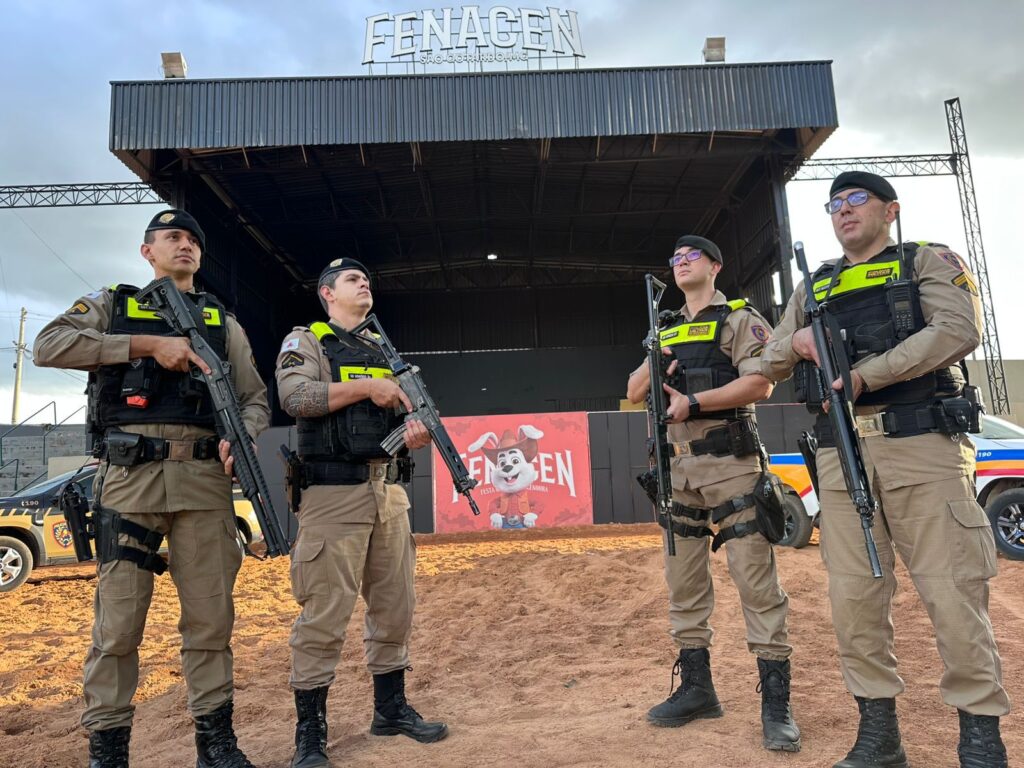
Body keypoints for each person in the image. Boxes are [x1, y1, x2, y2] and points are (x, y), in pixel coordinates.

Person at [761, 171, 1009, 768]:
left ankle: (980, 739)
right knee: (854, 600)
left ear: (889, 210)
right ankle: (880, 735)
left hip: (921, 445)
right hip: (840, 456)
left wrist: (865, 376)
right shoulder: (814, 284)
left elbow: (958, 330)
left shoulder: (925, 261)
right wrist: (798, 343)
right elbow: (768, 357)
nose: (843, 210)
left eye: (857, 199)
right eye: (834, 204)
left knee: (953, 594)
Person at [33, 209, 271, 768]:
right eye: (172, 237)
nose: (185, 245)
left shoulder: (222, 322)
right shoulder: (113, 305)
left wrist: (244, 435)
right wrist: (143, 345)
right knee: (118, 626)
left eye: (193, 240)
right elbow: (48, 345)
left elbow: (255, 398)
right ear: (148, 251)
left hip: (204, 484)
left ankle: (216, 745)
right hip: (129, 482)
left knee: (211, 622)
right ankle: (109, 751)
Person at [626, 235, 800, 753]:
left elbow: (761, 384)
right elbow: (633, 392)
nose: (681, 263)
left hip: (731, 464)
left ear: (716, 266)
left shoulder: (739, 319)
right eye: (675, 258)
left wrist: (695, 402)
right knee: (683, 585)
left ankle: (776, 705)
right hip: (677, 469)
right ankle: (698, 690)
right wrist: (656, 358)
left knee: (755, 582)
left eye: (692, 257)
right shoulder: (664, 327)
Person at [276, 257, 447, 768]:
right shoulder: (307, 340)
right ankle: (311, 733)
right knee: (324, 613)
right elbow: (294, 397)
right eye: (353, 279)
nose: (364, 283)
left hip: (387, 493)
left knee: (395, 607)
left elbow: (404, 417)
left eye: (366, 278)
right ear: (328, 293)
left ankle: (390, 710)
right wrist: (367, 388)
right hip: (333, 495)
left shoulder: (382, 351)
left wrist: (414, 430)